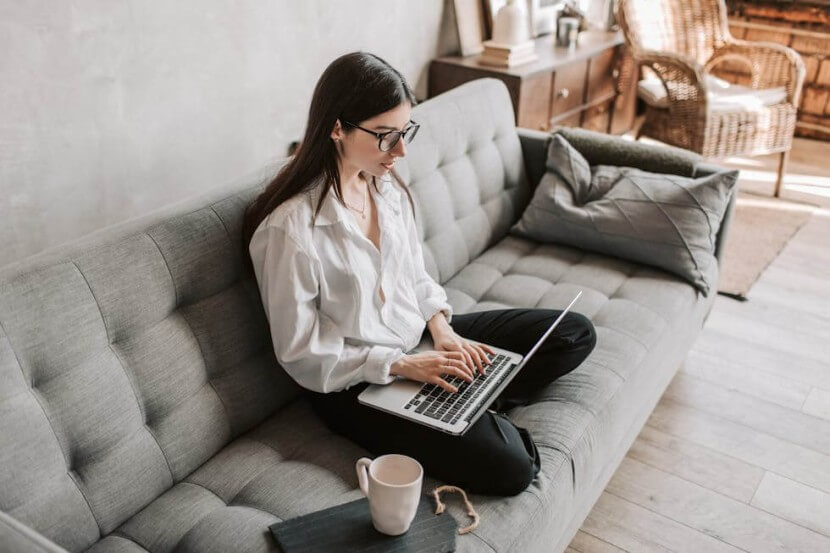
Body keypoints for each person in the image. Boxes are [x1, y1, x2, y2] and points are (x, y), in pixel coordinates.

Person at [242, 51, 597, 497]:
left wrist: (443, 330)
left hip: (419, 341)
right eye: (387, 136)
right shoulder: (289, 230)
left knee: (574, 333)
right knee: (513, 469)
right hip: (356, 383)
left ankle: (466, 398)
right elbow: (301, 353)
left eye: (405, 131)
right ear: (337, 128)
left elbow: (415, 276)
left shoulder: (383, 187)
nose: (402, 150)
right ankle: (467, 404)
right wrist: (403, 366)